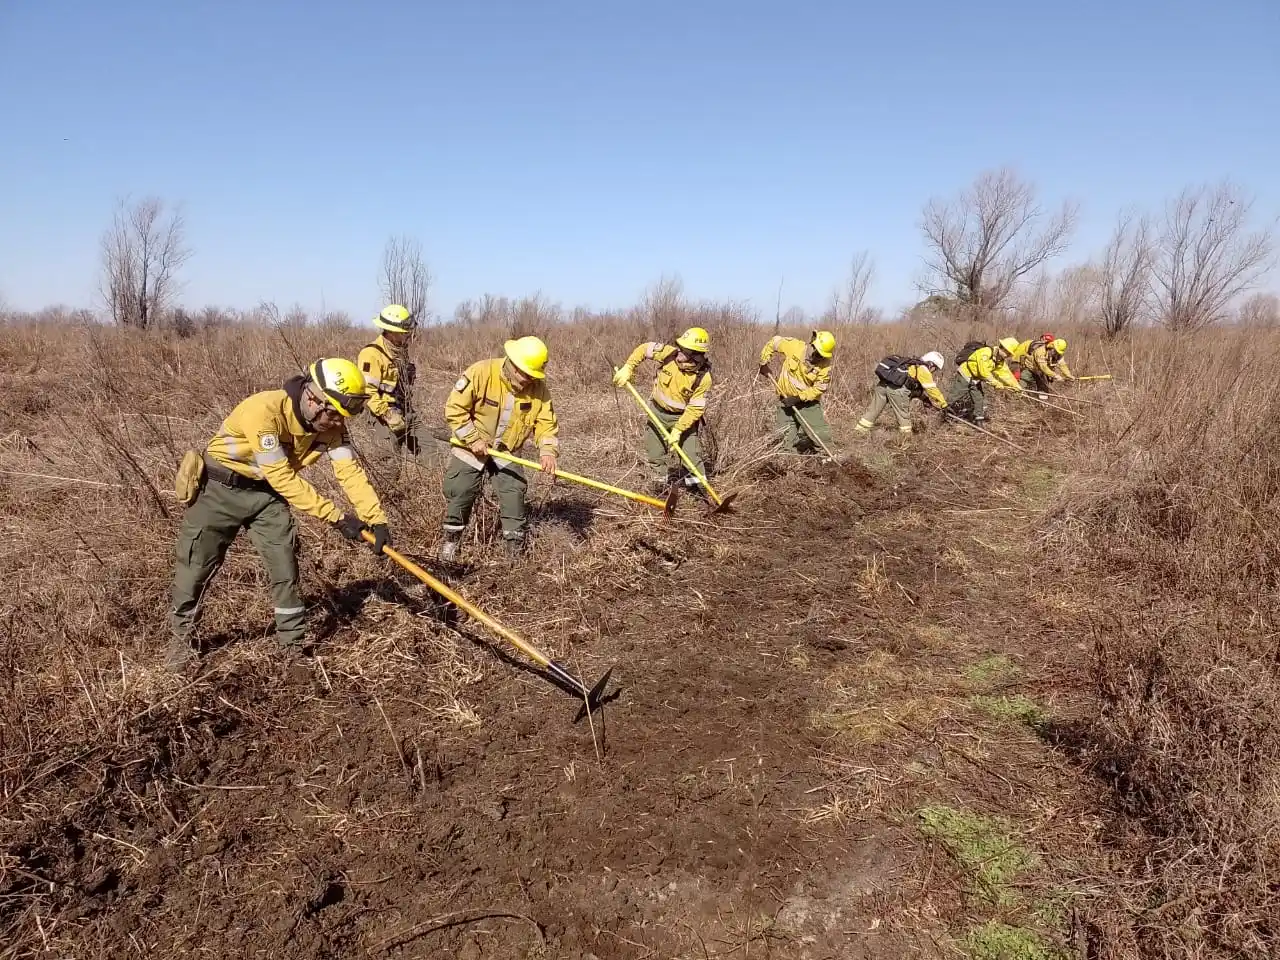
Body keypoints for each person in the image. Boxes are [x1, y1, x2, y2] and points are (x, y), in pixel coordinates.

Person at [168, 359, 389, 671]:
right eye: (333, 413)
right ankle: (181, 643)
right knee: (195, 568)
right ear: (314, 399)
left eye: (343, 416)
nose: (338, 422)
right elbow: (282, 477)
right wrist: (336, 517)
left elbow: (349, 472)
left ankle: (292, 646)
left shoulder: (333, 427)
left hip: (266, 496)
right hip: (219, 489)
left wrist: (375, 518)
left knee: (285, 566)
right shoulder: (264, 410)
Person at [439, 336, 558, 561]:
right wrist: (473, 439)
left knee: (514, 492)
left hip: (507, 450)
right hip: (471, 445)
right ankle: (451, 544)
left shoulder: (539, 389)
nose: (529, 380)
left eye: (533, 376)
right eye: (526, 375)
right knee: (461, 489)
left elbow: (546, 424)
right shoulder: (481, 372)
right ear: (513, 365)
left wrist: (548, 451)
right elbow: (454, 409)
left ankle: (514, 552)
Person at [612, 327, 713, 493]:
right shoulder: (669, 354)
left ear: (696, 355)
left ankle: (700, 491)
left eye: (684, 350)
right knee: (655, 454)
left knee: (691, 457)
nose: (679, 352)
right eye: (680, 347)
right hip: (657, 414)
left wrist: (678, 430)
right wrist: (628, 367)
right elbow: (644, 348)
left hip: (683, 419)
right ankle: (659, 489)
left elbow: (695, 408)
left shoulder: (703, 378)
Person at [358, 304, 429, 470]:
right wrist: (388, 414)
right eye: (404, 332)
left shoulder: (400, 350)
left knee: (431, 452)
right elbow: (367, 393)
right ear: (390, 332)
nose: (408, 334)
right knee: (391, 464)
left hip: (405, 409)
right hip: (381, 413)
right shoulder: (371, 354)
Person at [758, 330, 836, 455]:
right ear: (812, 343)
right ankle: (789, 459)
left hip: (808, 403)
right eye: (816, 353)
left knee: (821, 437)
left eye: (821, 356)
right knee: (783, 439)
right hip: (785, 398)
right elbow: (774, 342)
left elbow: (819, 389)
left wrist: (798, 398)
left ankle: (828, 458)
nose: (817, 358)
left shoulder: (825, 366)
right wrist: (764, 362)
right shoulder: (795, 346)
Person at [855, 351, 948, 434]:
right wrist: (944, 404)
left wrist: (925, 399)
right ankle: (906, 440)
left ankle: (859, 431)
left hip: (882, 386)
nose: (934, 371)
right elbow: (931, 389)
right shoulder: (923, 369)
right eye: (935, 368)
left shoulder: (911, 364)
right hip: (896, 391)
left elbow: (913, 386)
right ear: (931, 364)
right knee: (903, 417)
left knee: (873, 411)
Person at [947, 337, 1023, 424]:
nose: (1007, 356)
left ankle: (978, 419)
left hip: (975, 380)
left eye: (1009, 354)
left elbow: (1006, 375)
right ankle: (944, 410)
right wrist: (995, 383)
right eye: (1008, 353)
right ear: (1002, 348)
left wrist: (1016, 387)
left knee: (979, 398)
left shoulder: (999, 362)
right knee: (955, 394)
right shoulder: (986, 352)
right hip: (965, 375)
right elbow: (983, 371)